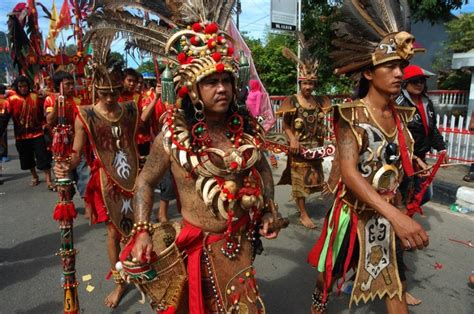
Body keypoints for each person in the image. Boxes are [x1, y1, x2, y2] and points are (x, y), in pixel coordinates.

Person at [84, 3, 287, 311]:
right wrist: (141, 231)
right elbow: (145, 181)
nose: (221, 89)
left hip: (239, 243)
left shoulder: (246, 131)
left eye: (226, 81)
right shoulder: (171, 138)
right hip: (195, 244)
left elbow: (264, 170)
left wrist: (270, 208)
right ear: (192, 90)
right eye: (210, 82)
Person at [307, 1, 429, 313]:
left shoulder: (402, 113)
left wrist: (410, 161)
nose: (399, 73)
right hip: (353, 214)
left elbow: (391, 154)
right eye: (390, 66)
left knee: (395, 285)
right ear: (368, 73)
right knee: (326, 278)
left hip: (387, 213)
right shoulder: (351, 115)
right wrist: (397, 216)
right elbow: (349, 172)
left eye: (401, 66)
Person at [54, 59, 139, 308]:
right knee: (114, 232)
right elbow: (77, 153)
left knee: (139, 227)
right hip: (105, 181)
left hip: (133, 178)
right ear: (95, 89)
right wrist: (66, 165)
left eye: (115, 92)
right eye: (105, 93)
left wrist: (161, 98)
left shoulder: (130, 109)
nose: (111, 98)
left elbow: (142, 133)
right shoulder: (86, 114)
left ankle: (140, 269)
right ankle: (120, 282)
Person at [277, 35, 332, 229]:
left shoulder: (320, 101)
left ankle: (308, 207)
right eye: (305, 83)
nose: (308, 87)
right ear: (300, 83)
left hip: (315, 148)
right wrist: (292, 139)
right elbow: (286, 124)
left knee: (315, 179)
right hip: (298, 148)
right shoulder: (292, 101)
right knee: (299, 182)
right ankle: (302, 213)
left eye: (311, 83)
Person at [397, 65, 448, 205]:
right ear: (405, 82)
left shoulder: (427, 102)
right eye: (415, 81)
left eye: (422, 81)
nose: (419, 84)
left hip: (421, 157)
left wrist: (442, 148)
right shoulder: (398, 103)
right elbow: (396, 133)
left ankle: (404, 218)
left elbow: (432, 130)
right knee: (401, 195)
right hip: (403, 158)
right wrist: (411, 156)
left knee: (424, 194)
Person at [3, 76, 54, 190]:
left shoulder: (36, 97)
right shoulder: (11, 101)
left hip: (38, 133)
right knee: (27, 159)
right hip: (21, 136)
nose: (23, 89)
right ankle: (35, 176)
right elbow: (4, 118)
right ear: (17, 87)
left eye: (25, 86)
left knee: (43, 157)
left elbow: (45, 110)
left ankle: (48, 180)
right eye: (20, 86)